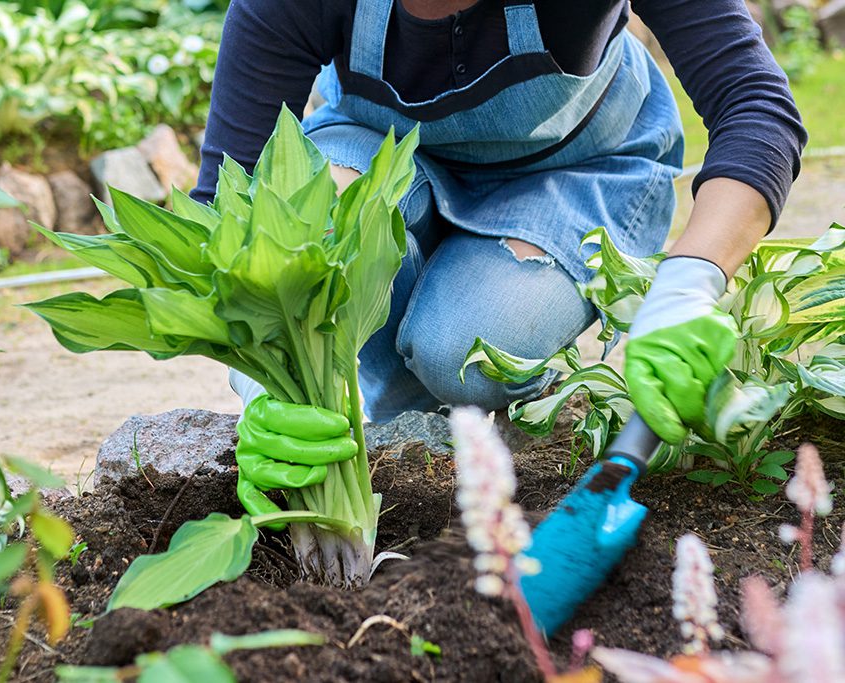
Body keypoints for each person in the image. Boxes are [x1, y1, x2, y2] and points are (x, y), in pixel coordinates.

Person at [191, 0, 807, 513]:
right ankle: (401, 451)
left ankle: (478, 379)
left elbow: (755, 104)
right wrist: (264, 382)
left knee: (467, 352)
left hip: (576, 169)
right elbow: (231, 201)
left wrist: (689, 284)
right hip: (380, 152)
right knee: (318, 235)